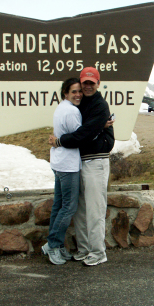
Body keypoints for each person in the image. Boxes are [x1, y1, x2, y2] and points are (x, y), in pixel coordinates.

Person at [49, 67, 114, 267]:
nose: (86, 87)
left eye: (90, 83)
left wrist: (59, 141)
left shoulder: (100, 106)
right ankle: (84, 249)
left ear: (98, 84)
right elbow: (84, 128)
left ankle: (97, 252)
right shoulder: (79, 104)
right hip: (80, 161)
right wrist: (97, 126)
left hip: (96, 161)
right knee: (80, 210)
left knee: (95, 209)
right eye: (84, 83)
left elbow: (83, 134)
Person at [42, 77, 83, 265]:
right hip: (68, 165)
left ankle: (55, 246)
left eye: (79, 91)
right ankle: (53, 245)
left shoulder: (61, 108)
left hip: (59, 162)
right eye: (73, 91)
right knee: (68, 207)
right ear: (65, 93)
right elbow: (78, 138)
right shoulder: (72, 111)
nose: (78, 94)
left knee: (58, 206)